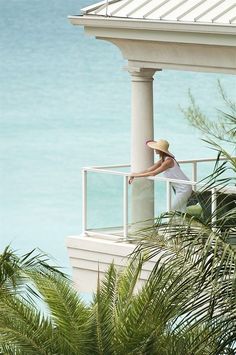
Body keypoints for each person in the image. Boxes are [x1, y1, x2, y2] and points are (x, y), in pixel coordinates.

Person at [129, 139, 192, 212]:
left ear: (160, 150)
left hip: (184, 188)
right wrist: (135, 174)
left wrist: (136, 176)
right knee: (181, 210)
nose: (154, 149)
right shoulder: (163, 160)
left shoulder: (168, 161)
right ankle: (181, 223)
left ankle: (176, 223)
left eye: (156, 148)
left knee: (172, 209)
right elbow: (149, 169)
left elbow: (153, 173)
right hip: (179, 188)